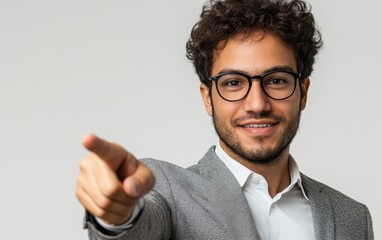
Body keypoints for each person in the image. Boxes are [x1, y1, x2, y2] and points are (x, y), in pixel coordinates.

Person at [75, 0, 374, 239]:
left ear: (303, 92)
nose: (257, 104)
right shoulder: (168, 191)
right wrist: (118, 217)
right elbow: (143, 225)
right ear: (208, 97)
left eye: (277, 80)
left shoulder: (352, 217)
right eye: (233, 83)